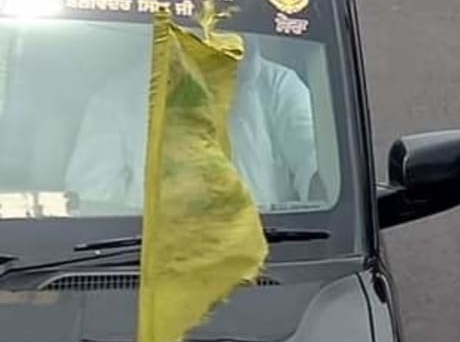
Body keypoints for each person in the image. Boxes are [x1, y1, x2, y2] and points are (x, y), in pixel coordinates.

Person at [64, 39, 318, 212]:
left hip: (265, 250)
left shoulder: (278, 87)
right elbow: (93, 199)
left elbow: (316, 164)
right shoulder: (119, 97)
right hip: (151, 259)